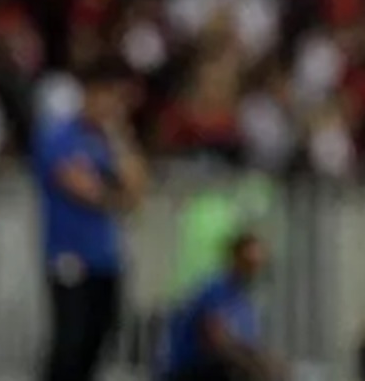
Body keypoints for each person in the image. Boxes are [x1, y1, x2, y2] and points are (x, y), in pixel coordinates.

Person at [32, 56, 149, 381]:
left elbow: (137, 189)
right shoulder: (59, 135)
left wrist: (119, 137)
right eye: (106, 94)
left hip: (107, 257)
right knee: (70, 342)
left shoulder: (109, 140)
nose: (111, 104)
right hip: (69, 256)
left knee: (99, 340)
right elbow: (82, 188)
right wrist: (116, 197)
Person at [158, 231, 282, 381]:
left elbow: (248, 343)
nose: (253, 271)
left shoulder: (246, 300)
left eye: (257, 265)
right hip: (194, 368)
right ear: (235, 259)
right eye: (248, 263)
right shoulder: (216, 290)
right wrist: (255, 363)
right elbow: (215, 340)